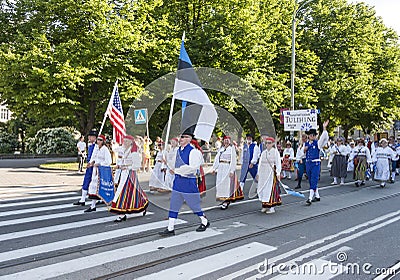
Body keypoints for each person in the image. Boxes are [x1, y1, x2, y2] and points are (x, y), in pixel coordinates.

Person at [159, 131, 210, 237]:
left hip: (188, 181)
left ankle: (204, 221)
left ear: (189, 139)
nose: (180, 139)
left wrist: (177, 171)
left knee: (194, 205)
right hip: (178, 181)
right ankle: (170, 228)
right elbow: (174, 164)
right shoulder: (178, 150)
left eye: (183, 137)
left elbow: (193, 168)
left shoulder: (194, 152)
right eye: (180, 137)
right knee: (174, 204)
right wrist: (166, 162)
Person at [110, 135, 148, 221]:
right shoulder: (125, 149)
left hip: (131, 175)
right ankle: (124, 213)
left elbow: (136, 165)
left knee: (125, 192)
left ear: (131, 142)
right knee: (130, 192)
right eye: (124, 141)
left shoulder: (134, 152)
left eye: (127, 141)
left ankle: (122, 213)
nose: (125, 143)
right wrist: (119, 166)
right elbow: (116, 151)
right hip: (124, 174)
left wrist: (127, 167)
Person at [212, 135, 243, 210]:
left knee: (226, 184)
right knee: (220, 183)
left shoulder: (231, 149)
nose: (226, 141)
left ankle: (226, 200)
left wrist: (232, 170)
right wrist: (214, 168)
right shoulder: (221, 149)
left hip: (227, 167)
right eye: (225, 140)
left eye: (227, 140)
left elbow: (233, 160)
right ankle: (222, 199)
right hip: (221, 167)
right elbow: (217, 159)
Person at [85, 134, 113, 212]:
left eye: (100, 140)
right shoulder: (96, 148)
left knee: (102, 188)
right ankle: (93, 205)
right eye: (98, 140)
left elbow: (108, 161)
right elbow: (93, 157)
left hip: (102, 171)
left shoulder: (105, 149)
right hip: (95, 170)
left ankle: (109, 203)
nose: (98, 141)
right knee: (93, 187)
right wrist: (90, 163)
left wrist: (100, 164)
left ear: (103, 141)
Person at [304, 120, 329, 205]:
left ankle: (310, 198)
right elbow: (302, 153)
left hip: (315, 163)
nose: (311, 136)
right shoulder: (306, 144)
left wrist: (324, 128)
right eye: (310, 135)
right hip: (308, 163)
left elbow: (324, 138)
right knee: (311, 180)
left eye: (313, 135)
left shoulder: (318, 143)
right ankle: (317, 196)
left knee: (314, 179)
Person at [256, 136, 281, 214]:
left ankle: (271, 207)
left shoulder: (275, 152)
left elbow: (278, 163)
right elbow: (260, 163)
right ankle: (264, 205)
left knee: (270, 189)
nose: (268, 145)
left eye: (269, 143)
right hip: (263, 172)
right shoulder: (264, 152)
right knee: (262, 188)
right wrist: (258, 173)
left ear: (272, 144)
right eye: (266, 143)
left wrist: (278, 173)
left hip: (270, 172)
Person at [73, 130, 98, 206]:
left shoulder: (97, 147)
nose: (89, 138)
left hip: (95, 167)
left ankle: (96, 201)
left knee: (95, 184)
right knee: (86, 181)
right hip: (89, 166)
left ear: (95, 137)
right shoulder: (91, 145)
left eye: (91, 136)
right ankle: (82, 199)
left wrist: (92, 163)